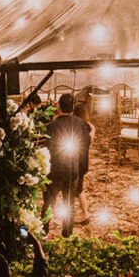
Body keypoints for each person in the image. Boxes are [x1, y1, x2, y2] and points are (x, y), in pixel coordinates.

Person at [46, 92, 91, 234]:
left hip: (54, 168)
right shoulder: (80, 124)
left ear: (59, 106)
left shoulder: (52, 125)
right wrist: (81, 169)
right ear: (73, 108)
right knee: (69, 202)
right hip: (72, 168)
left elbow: (47, 146)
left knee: (49, 201)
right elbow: (86, 145)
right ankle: (67, 231)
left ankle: (44, 229)